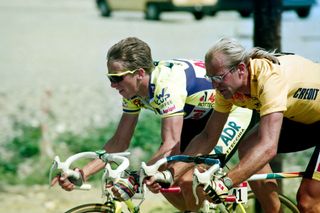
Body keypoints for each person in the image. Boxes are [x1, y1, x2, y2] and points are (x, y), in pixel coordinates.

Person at [52, 37, 255, 211]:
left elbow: (171, 144)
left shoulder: (166, 86)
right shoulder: (132, 92)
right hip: (196, 116)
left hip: (231, 110)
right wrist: (83, 173)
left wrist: (135, 177)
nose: (113, 85)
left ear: (139, 73)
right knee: (161, 179)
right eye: (110, 78)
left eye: (117, 78)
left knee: (187, 179)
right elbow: (120, 142)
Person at [151, 37, 320, 213]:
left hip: (311, 118)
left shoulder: (269, 78)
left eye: (218, 77)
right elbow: (208, 136)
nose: (214, 85)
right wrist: (170, 174)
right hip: (306, 118)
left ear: (240, 69)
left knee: (309, 201)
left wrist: (225, 183)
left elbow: (269, 147)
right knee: (249, 148)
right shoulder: (228, 91)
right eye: (210, 78)